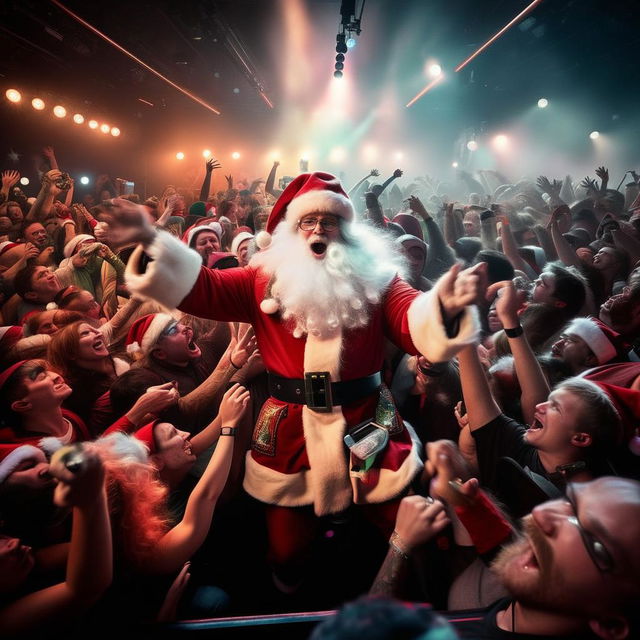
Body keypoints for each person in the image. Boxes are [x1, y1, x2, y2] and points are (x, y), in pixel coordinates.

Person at [100, 171, 481, 590]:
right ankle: (292, 604)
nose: (319, 230)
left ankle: (408, 601)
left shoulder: (379, 279)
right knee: (286, 549)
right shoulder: (259, 279)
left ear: (346, 230)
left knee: (403, 524)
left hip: (366, 420)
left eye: (329, 222)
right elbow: (200, 287)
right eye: (308, 222)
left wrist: (443, 305)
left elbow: (412, 320)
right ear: (293, 229)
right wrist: (151, 241)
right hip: (289, 430)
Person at [0, 444, 112, 636]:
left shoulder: (33, 554)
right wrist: (88, 498)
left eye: (2, 538)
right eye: (28, 467)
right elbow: (82, 589)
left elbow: (113, 549)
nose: (14, 543)